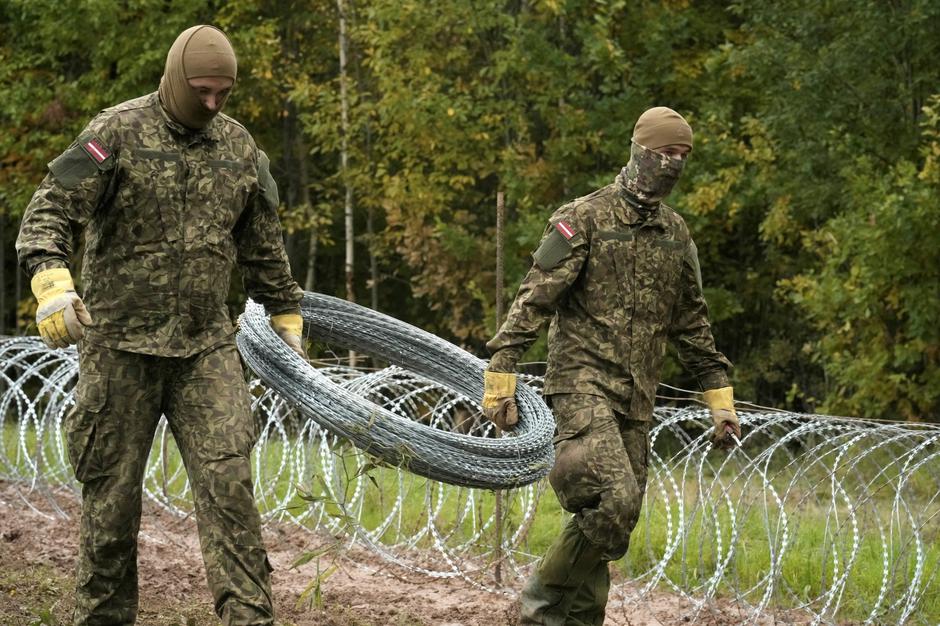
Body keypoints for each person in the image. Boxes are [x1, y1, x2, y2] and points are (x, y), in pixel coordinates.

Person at [16, 25, 304, 626]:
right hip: (120, 347)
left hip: (205, 347)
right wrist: (50, 281)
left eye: (224, 93)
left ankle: (249, 617)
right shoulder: (114, 132)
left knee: (230, 488)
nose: (213, 104)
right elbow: (50, 206)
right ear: (176, 79)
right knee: (111, 506)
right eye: (202, 91)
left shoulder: (240, 148)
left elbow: (262, 242)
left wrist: (283, 310)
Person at [482, 106, 741, 625]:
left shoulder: (676, 234)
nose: (673, 163)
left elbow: (693, 325)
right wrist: (500, 377)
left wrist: (720, 399)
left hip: (637, 398)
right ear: (640, 150)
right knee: (616, 499)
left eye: (683, 156)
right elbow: (535, 298)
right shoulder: (585, 217)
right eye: (665, 152)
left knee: (609, 523)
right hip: (581, 385)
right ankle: (534, 610)